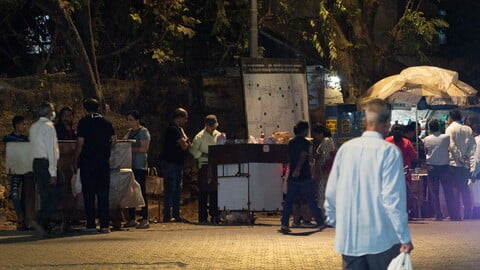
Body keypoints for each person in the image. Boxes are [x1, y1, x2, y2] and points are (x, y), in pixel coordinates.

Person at [325, 99, 413, 269]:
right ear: (387, 123)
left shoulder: (346, 149)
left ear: (365, 121)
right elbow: (393, 199)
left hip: (349, 240)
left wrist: (337, 222)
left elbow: (331, 193)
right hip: (381, 239)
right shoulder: (389, 152)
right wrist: (404, 237)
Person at [74, 99, 117, 233]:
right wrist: (106, 148)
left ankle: (91, 225)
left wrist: (75, 159)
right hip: (103, 162)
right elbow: (114, 140)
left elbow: (80, 143)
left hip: (88, 162)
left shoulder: (84, 122)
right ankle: (105, 225)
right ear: (98, 108)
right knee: (103, 194)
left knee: (89, 194)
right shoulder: (107, 122)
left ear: (85, 109)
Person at [280, 120, 325, 234]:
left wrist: (293, 170)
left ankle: (284, 224)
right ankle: (320, 222)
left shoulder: (290, 142)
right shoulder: (306, 143)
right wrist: (298, 169)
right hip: (304, 176)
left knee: (289, 201)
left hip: (293, 178)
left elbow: (290, 158)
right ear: (304, 130)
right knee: (311, 200)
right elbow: (303, 156)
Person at [29, 102, 63, 237]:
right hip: (46, 163)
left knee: (44, 194)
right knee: (57, 192)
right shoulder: (49, 127)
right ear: (49, 113)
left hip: (36, 163)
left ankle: (44, 224)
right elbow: (51, 150)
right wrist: (53, 172)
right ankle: (41, 219)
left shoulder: (34, 127)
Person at [189, 115, 221, 224]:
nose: (212, 128)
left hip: (216, 165)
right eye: (210, 126)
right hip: (204, 165)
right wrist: (204, 155)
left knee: (215, 192)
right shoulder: (199, 137)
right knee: (203, 192)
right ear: (206, 125)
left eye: (214, 126)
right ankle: (202, 218)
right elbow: (193, 150)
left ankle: (215, 216)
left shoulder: (219, 135)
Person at [161, 108, 190, 222]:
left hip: (177, 163)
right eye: (185, 118)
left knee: (177, 189)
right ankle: (168, 215)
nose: (186, 121)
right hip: (170, 163)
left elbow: (187, 143)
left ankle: (176, 214)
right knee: (171, 189)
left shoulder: (180, 129)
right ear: (179, 117)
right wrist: (186, 143)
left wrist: (186, 142)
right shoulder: (173, 129)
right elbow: (185, 145)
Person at [445, 109, 476, 220]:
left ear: (450, 117)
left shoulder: (450, 129)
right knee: (465, 189)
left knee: (454, 190)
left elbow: (452, 146)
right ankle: (468, 214)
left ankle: (456, 214)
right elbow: (473, 145)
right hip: (465, 164)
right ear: (461, 117)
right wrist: (466, 156)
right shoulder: (468, 129)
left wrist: (460, 158)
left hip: (454, 163)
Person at [123, 110, 151, 229]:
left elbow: (144, 148)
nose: (129, 122)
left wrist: (129, 150)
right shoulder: (128, 132)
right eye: (128, 120)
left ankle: (145, 218)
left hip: (140, 165)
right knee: (131, 191)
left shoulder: (143, 132)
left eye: (131, 120)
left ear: (137, 120)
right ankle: (131, 217)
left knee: (141, 190)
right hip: (130, 165)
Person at [424, 119, 455, 221]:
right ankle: (453, 214)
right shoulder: (446, 137)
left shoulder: (426, 139)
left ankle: (438, 215)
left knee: (434, 193)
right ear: (439, 127)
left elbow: (426, 151)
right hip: (444, 167)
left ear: (430, 129)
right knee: (448, 191)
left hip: (431, 167)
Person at [3, 115, 29, 230]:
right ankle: (20, 217)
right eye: (23, 124)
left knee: (26, 195)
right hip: (15, 170)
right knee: (14, 194)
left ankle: (25, 220)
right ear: (17, 125)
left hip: (26, 169)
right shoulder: (9, 137)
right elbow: (7, 139)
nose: (24, 126)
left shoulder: (25, 138)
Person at [312, 124, 336, 211]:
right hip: (326, 172)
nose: (316, 137)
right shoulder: (329, 140)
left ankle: (325, 217)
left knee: (323, 194)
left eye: (316, 135)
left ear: (321, 134)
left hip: (324, 173)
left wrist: (317, 157)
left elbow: (325, 158)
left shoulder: (326, 141)